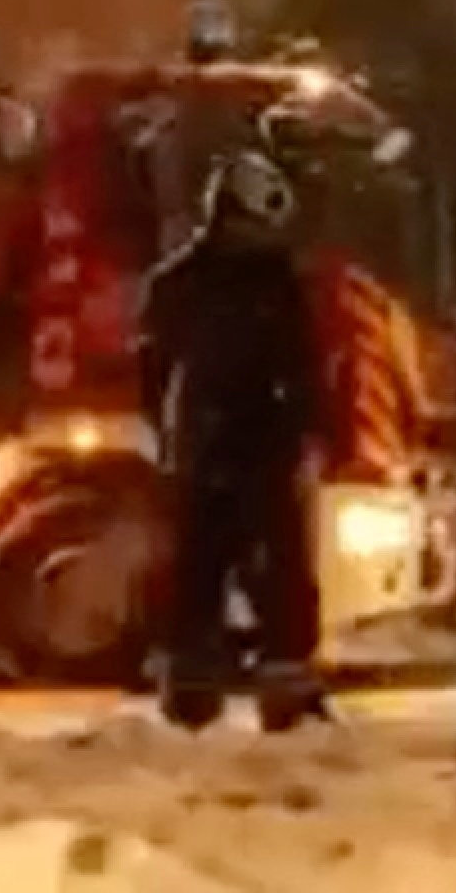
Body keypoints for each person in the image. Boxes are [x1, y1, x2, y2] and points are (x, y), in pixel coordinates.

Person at [136, 144, 331, 732]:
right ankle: (195, 694)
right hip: (216, 446)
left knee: (272, 574)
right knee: (205, 570)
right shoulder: (197, 283)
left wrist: (304, 431)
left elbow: (304, 365)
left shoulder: (265, 282)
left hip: (248, 445)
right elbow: (156, 368)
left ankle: (283, 692)